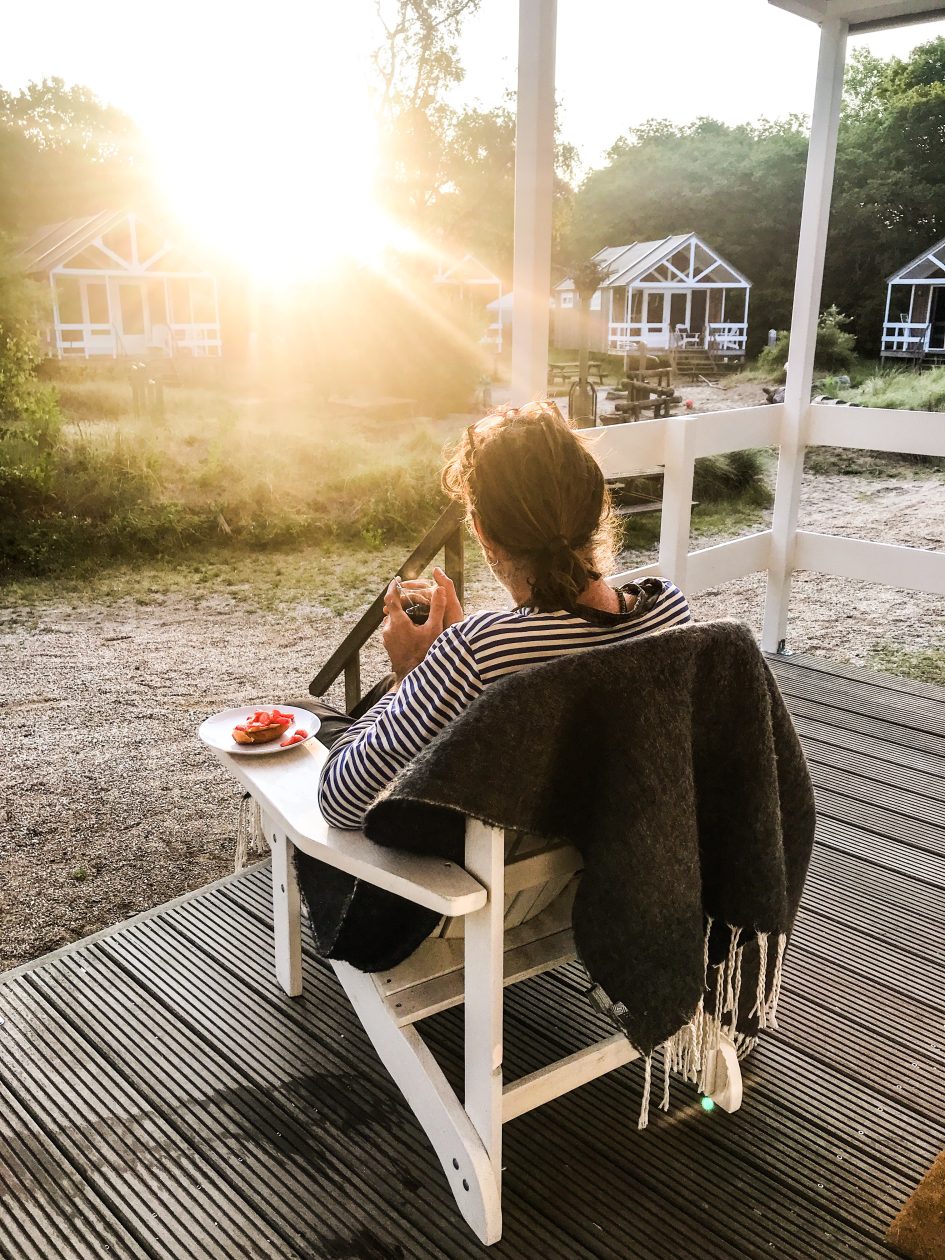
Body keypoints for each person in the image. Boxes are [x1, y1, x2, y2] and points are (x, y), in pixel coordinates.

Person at [315, 400, 691, 830]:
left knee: (308, 716)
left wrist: (411, 670)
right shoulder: (669, 610)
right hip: (607, 844)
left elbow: (339, 801)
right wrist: (449, 655)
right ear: (595, 508)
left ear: (482, 532)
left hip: (478, 867)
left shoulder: (479, 651)